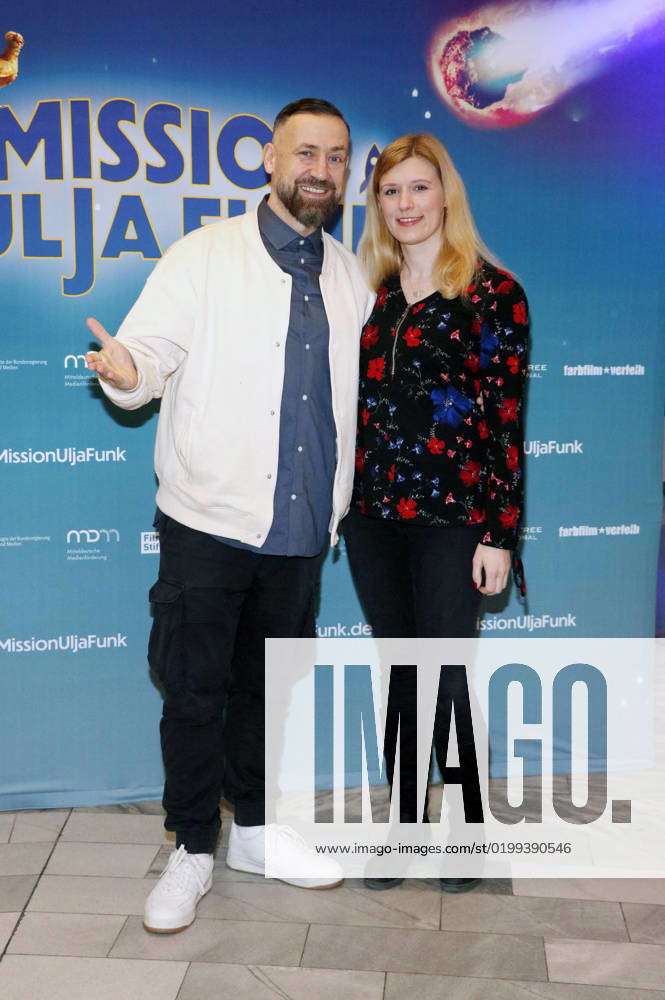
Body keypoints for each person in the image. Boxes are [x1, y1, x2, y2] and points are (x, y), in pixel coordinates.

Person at [85, 97, 373, 933]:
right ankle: (189, 848)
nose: (319, 170)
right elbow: (148, 360)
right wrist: (124, 367)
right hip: (207, 523)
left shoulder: (349, 274)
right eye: (304, 153)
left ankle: (250, 831)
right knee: (194, 690)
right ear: (269, 162)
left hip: (300, 532)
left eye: (335, 156)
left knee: (263, 692)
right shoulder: (204, 256)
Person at [343, 133, 529, 891]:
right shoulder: (369, 293)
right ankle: (406, 824)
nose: (405, 205)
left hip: (456, 519)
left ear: (444, 195)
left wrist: (500, 534)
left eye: (419, 189)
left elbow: (507, 421)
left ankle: (469, 832)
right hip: (371, 519)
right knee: (401, 674)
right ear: (377, 205)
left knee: (446, 674)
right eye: (391, 192)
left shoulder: (490, 290)